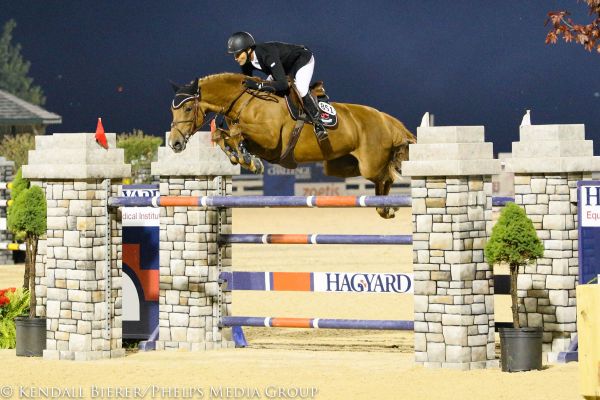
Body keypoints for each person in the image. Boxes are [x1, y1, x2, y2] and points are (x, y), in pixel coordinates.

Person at [227, 31, 328, 142]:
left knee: (301, 88)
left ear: (248, 50)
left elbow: (283, 85)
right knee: (265, 90)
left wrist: (257, 85)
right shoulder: (246, 61)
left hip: (301, 60)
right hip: (284, 67)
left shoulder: (266, 54)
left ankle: (319, 123)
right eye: (234, 55)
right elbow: (246, 84)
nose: (235, 58)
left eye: (237, 54)